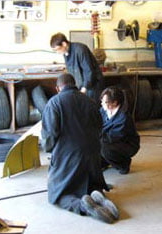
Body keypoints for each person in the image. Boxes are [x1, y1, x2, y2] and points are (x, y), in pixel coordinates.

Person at [42, 73, 119, 224]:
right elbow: (99, 127)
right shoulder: (90, 101)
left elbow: (49, 135)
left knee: (56, 195)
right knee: (88, 185)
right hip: (93, 157)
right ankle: (97, 195)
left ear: (58, 88)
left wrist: (52, 151)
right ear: (75, 84)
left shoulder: (54, 103)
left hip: (69, 157)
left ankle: (82, 206)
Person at [50, 32, 104, 105]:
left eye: (57, 49)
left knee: (91, 109)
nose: (57, 52)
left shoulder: (80, 49)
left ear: (64, 44)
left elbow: (89, 71)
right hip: (82, 86)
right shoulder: (65, 53)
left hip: (92, 86)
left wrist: (84, 89)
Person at [100, 86, 140, 174]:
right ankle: (105, 161)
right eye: (102, 101)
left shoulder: (123, 117)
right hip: (110, 141)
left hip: (125, 144)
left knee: (103, 147)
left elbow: (112, 137)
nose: (102, 104)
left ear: (114, 103)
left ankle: (123, 164)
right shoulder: (104, 110)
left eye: (105, 102)